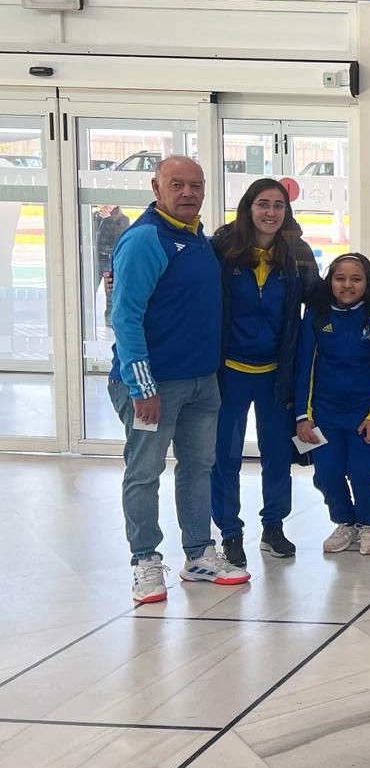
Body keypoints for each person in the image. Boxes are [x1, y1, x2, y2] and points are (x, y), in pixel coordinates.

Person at [110, 155, 247, 603]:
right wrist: (142, 386)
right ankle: (145, 560)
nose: (188, 193)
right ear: (156, 187)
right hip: (155, 385)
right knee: (145, 471)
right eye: (177, 185)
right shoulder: (146, 239)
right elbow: (125, 318)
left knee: (198, 468)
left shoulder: (198, 239)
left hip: (201, 382)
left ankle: (198, 554)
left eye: (196, 185)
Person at [210, 177, 321, 567]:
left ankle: (273, 526)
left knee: (277, 454)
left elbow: (320, 300)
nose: (271, 212)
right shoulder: (223, 247)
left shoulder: (297, 252)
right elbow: (196, 292)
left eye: (278, 205)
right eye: (263, 204)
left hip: (277, 372)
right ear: (248, 207)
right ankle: (229, 531)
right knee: (225, 454)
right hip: (229, 372)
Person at [294, 252, 370, 557]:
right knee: (327, 474)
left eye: (356, 279)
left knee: (362, 472)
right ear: (330, 280)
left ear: (367, 283)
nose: (347, 285)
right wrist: (302, 416)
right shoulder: (317, 315)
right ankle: (344, 522)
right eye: (340, 278)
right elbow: (304, 367)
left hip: (366, 414)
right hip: (324, 413)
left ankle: (368, 523)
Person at [93, 203, 129, 324]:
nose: (106, 206)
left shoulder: (123, 219)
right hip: (96, 258)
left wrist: (108, 220)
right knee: (90, 288)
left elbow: (118, 238)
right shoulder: (94, 217)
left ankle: (110, 318)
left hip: (111, 260)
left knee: (110, 292)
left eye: (110, 204)